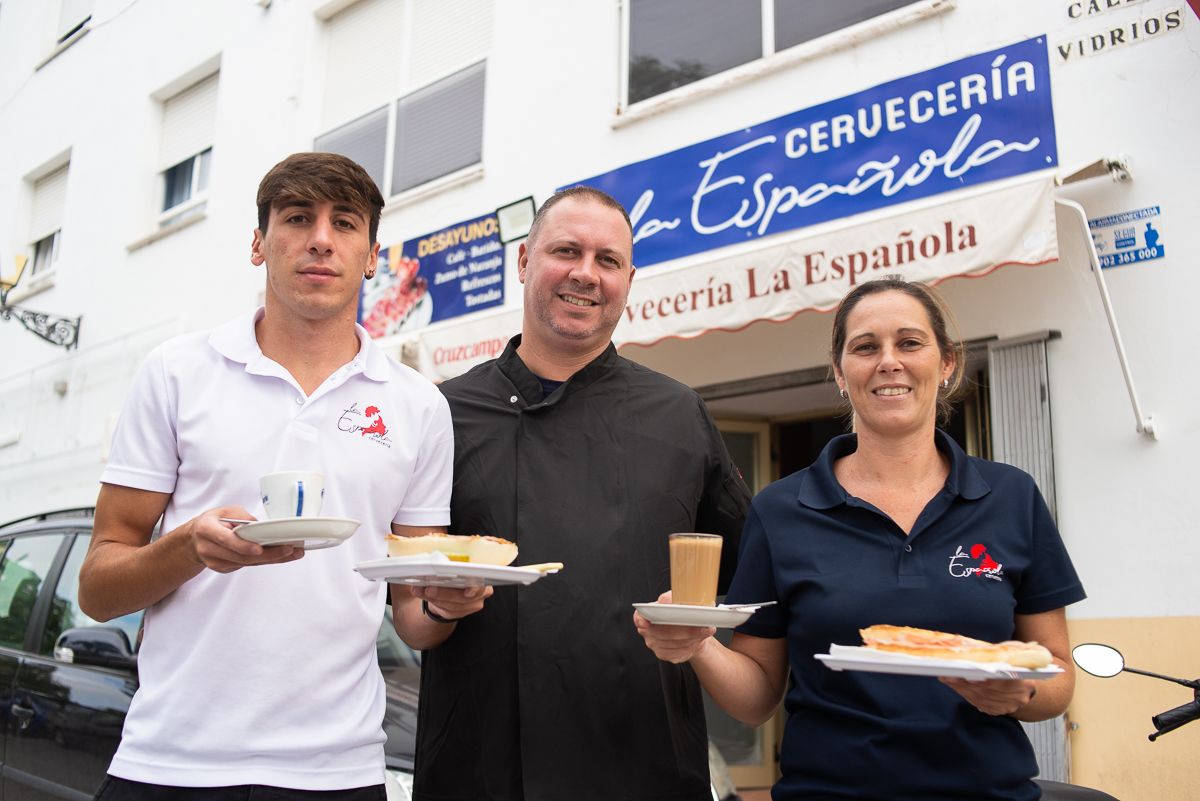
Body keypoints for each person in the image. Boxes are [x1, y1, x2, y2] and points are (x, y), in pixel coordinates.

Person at [77, 152, 476, 800]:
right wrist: (190, 548)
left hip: (337, 770)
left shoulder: (418, 404)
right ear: (259, 242)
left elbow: (413, 614)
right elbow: (98, 589)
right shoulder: (178, 372)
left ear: (373, 254)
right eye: (297, 217)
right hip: (169, 760)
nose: (321, 238)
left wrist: (443, 602)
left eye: (345, 223)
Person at [635, 276, 1087, 801]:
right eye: (865, 347)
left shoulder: (1011, 496)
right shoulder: (781, 509)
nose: (888, 361)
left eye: (910, 342)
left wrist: (1019, 691)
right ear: (840, 373)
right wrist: (698, 646)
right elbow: (757, 697)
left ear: (947, 364)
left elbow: (1058, 676)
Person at [393, 186, 751, 801]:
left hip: (645, 767)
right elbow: (411, 616)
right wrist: (439, 606)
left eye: (608, 260)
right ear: (524, 262)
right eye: (566, 251)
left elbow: (753, 573)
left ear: (629, 279)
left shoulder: (677, 413)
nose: (587, 274)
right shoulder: (442, 413)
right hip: (481, 769)